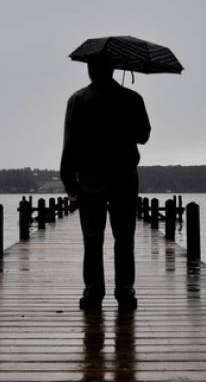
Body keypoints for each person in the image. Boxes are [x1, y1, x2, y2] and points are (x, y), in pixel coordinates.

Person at [60, 53, 150, 311]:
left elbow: (70, 144)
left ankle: (92, 294)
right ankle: (125, 292)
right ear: (113, 69)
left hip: (90, 180)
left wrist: (69, 182)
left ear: (90, 70)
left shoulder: (77, 100)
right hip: (124, 179)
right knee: (124, 238)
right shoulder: (132, 99)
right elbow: (143, 136)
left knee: (92, 239)